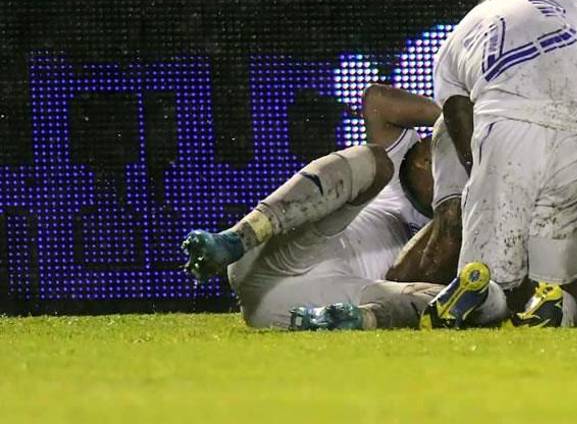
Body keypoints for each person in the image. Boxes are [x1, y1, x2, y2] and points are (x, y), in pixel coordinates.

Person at [423, 0, 577, 328]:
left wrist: (480, 172)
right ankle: (550, 309)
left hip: (505, 130)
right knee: (558, 280)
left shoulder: (457, 36)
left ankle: (480, 293)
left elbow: (457, 113)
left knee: (490, 272)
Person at [181, 84, 445, 329]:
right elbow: (377, 100)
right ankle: (237, 238)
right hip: (274, 253)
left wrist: (448, 218)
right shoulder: (400, 163)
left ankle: (362, 319)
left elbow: (399, 278)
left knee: (451, 298)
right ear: (424, 158)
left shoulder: (461, 224)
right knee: (374, 160)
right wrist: (452, 120)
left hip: (311, 304)